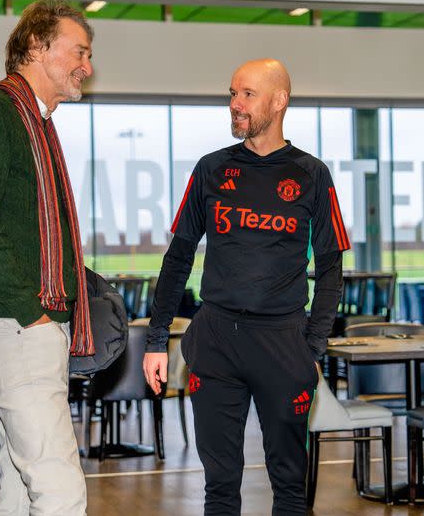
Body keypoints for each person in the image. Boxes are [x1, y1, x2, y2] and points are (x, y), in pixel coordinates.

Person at [143, 58, 350, 515]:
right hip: (215, 339)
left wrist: (312, 347)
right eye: (232, 93)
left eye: (247, 95)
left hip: (282, 342)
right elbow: (178, 257)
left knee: (290, 485)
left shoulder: (311, 174)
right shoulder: (211, 169)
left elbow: (332, 267)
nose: (235, 104)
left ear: (279, 101)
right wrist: (157, 340)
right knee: (219, 486)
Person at [0, 0, 94, 515]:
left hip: (31, 328)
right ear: (37, 45)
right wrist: (30, 312)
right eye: (79, 51)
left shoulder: (38, 125)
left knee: (19, 484)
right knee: (60, 490)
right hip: (17, 327)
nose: (87, 66)